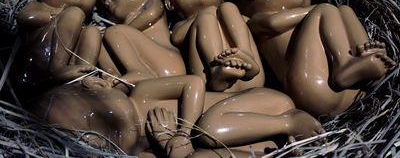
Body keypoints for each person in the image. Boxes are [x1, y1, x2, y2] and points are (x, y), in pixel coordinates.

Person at [237, 0, 396, 116]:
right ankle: (345, 64)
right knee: (325, 10)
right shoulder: (256, 20)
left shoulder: (315, 17)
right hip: (311, 90)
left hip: (353, 92)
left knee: (345, 10)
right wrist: (317, 8)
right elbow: (274, 23)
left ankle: (367, 59)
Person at [33, 74, 325, 157]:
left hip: (263, 107)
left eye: (90, 114)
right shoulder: (138, 151)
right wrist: (168, 145)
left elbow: (194, 83)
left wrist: (184, 133)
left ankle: (290, 122)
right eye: (90, 135)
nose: (102, 129)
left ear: (97, 85)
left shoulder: (142, 94)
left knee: (206, 130)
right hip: (253, 142)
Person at [164, 0, 264, 92]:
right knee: (206, 15)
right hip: (212, 83)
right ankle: (216, 69)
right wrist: (201, 16)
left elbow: (254, 26)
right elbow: (177, 37)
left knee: (229, 7)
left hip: (251, 78)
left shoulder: (231, 12)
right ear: (170, 3)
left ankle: (246, 54)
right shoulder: (183, 25)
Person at [15, 0, 102, 98]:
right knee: (75, 13)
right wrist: (54, 15)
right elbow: (25, 17)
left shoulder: (79, 25)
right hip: (36, 71)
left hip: (64, 82)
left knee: (92, 31)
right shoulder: (41, 7)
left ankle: (85, 75)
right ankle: (57, 68)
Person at [97, 0, 186, 87]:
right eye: (104, 0)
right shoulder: (122, 29)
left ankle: (138, 71)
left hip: (168, 62)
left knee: (113, 33)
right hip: (150, 76)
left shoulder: (152, 2)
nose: (107, 1)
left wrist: (124, 30)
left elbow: (151, 14)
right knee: (99, 41)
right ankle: (113, 76)